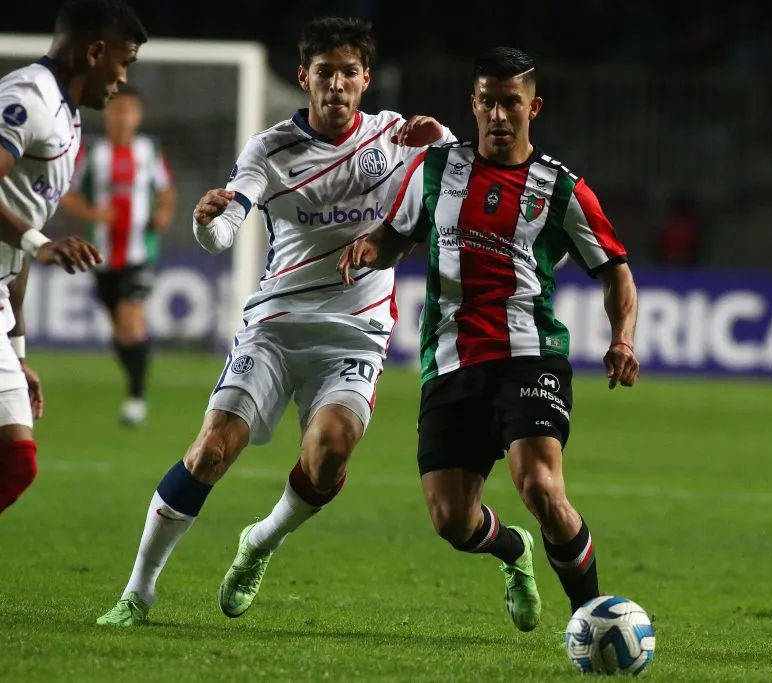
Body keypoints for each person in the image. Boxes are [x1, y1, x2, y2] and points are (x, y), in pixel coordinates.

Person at [95, 16, 455, 627]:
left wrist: (441, 135)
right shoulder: (270, 149)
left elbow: (455, 179)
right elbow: (225, 227)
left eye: (348, 74)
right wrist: (208, 222)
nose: (336, 85)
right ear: (303, 78)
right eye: (324, 74)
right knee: (211, 448)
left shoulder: (398, 137)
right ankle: (138, 592)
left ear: (366, 80)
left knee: (330, 452)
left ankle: (260, 540)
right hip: (277, 322)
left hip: (356, 328)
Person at [338, 47, 640, 631]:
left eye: (512, 103)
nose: (499, 115)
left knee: (540, 484)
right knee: (452, 519)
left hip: (530, 356)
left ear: (534, 107)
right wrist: (375, 247)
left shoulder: (561, 190)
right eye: (488, 102)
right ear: (473, 104)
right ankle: (511, 551)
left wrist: (622, 339)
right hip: (449, 360)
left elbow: (616, 271)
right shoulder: (434, 170)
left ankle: (592, 622)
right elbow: (399, 234)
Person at [0, 0, 146, 516]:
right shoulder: (28, 98)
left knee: (15, 461)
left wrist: (16, 351)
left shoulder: (70, 118)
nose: (123, 78)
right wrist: (41, 244)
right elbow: (28, 240)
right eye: (123, 62)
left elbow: (14, 245)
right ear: (95, 52)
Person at [61, 84, 176, 426]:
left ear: (138, 115)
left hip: (141, 252)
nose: (123, 116)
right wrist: (94, 214)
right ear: (108, 114)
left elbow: (166, 190)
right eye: (117, 110)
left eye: (129, 110)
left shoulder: (149, 151)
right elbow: (68, 195)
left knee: (129, 318)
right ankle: (135, 386)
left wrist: (164, 214)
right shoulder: (93, 154)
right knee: (121, 332)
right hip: (103, 256)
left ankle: (136, 398)